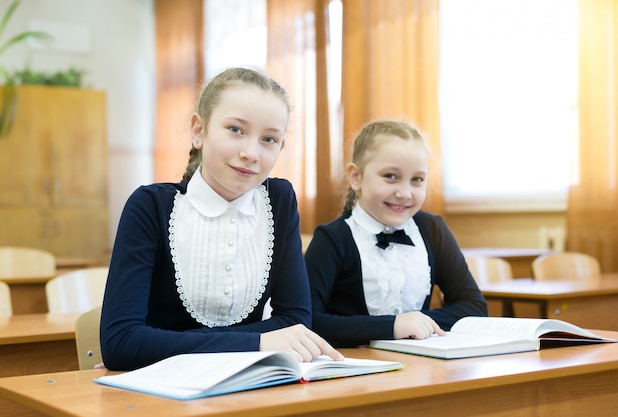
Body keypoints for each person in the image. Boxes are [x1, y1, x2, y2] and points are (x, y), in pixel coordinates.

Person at [100, 67, 342, 371]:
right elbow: (121, 344)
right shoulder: (150, 206)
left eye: (268, 139)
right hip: (160, 393)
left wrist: (164, 344)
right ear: (199, 130)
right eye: (236, 130)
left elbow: (295, 322)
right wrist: (258, 341)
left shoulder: (279, 200)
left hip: (249, 385)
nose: (251, 152)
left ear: (280, 147)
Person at [305, 120, 488, 348]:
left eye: (417, 180)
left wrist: (420, 324)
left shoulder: (433, 229)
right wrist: (392, 326)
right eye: (391, 176)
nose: (404, 193)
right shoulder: (332, 238)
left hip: (422, 364)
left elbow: (474, 306)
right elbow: (308, 321)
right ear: (356, 177)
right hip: (356, 368)